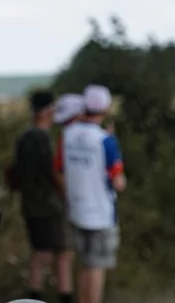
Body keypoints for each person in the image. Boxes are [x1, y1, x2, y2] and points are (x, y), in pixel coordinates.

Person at [56, 85, 125, 303]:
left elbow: (59, 170)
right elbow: (119, 182)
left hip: (76, 210)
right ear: (105, 108)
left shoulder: (66, 134)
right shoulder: (106, 140)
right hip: (101, 214)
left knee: (84, 264)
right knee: (96, 267)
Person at [12, 91, 78, 303]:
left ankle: (39, 295)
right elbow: (53, 172)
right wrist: (67, 192)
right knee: (51, 253)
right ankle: (48, 295)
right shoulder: (42, 138)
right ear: (46, 111)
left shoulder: (24, 137)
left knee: (49, 251)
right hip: (48, 205)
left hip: (30, 203)